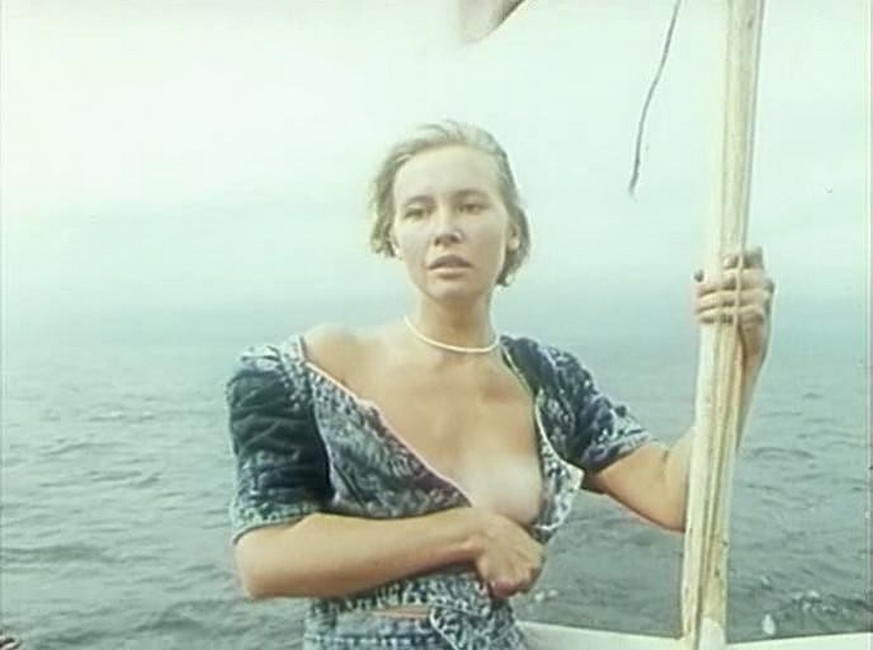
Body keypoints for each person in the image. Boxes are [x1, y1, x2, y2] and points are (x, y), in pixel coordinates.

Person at [224, 121, 774, 649]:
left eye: (470, 205)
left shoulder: (547, 383)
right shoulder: (314, 370)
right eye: (418, 211)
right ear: (392, 236)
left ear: (513, 230)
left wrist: (742, 358)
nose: (445, 229)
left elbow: (674, 496)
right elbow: (266, 559)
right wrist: (470, 531)